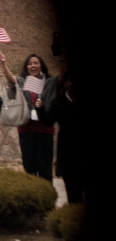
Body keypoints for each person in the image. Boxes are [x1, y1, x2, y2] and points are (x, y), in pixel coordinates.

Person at [0, 51, 58, 183]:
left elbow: (63, 78)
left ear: (41, 65)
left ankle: (46, 198)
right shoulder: (23, 82)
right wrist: (3, 63)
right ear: (26, 67)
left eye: (36, 63)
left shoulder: (50, 82)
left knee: (45, 169)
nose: (33, 65)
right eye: (30, 64)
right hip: (26, 131)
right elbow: (11, 80)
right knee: (29, 168)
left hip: (44, 131)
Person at [36, 71, 84, 203]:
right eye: (70, 80)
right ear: (66, 83)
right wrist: (40, 109)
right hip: (68, 151)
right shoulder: (59, 102)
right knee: (74, 195)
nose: (73, 84)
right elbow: (48, 121)